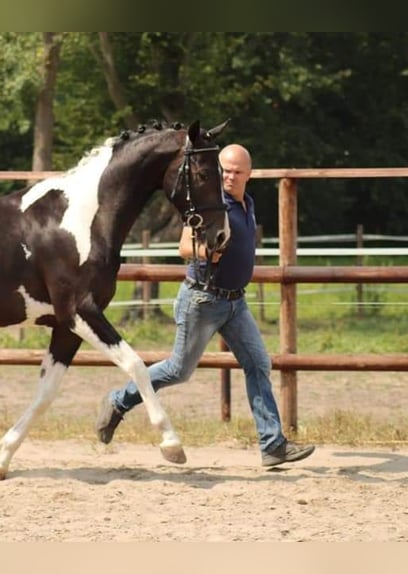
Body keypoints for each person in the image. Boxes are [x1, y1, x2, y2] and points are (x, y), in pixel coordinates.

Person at [96, 143, 315, 467]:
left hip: (234, 303)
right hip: (202, 299)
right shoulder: (210, 204)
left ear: (248, 175)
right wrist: (208, 252)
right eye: (225, 170)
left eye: (237, 172)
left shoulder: (246, 203)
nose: (229, 176)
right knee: (177, 370)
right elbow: (185, 246)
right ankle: (119, 400)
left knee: (258, 364)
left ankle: (272, 445)